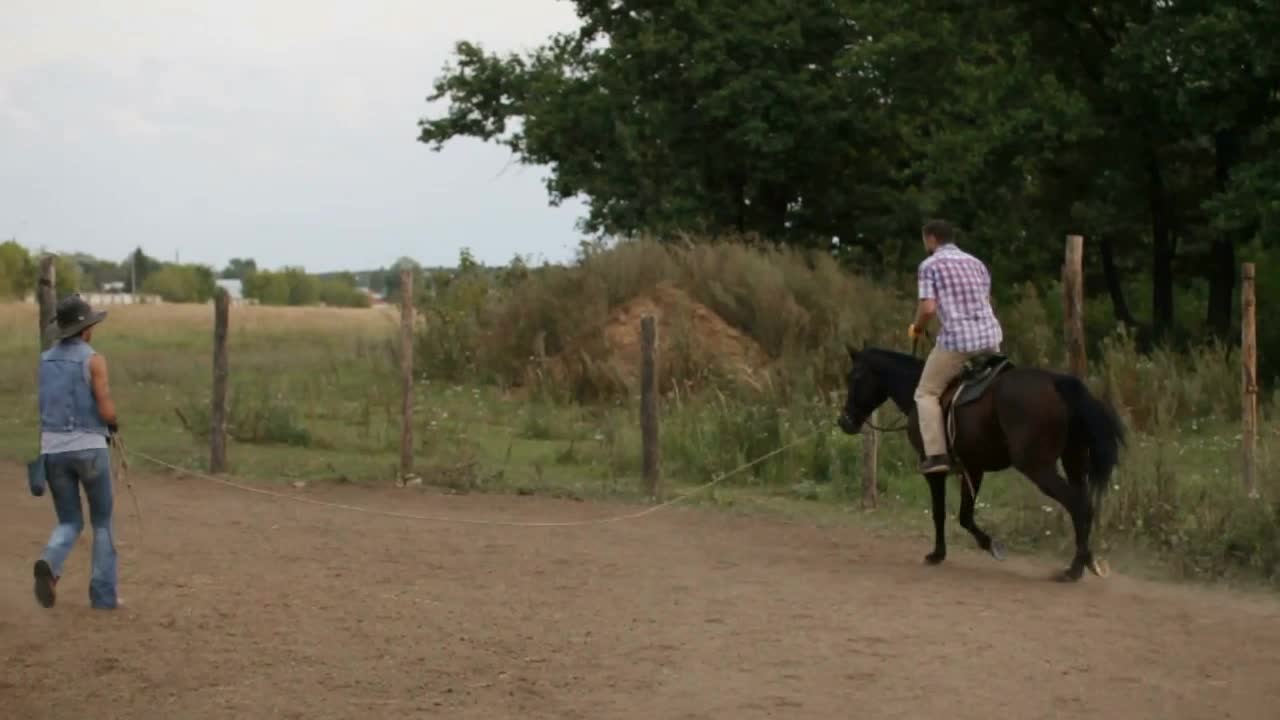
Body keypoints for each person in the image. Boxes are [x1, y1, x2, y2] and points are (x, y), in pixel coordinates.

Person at [31, 294, 120, 610]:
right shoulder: (94, 359)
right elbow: (105, 404)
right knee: (102, 522)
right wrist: (113, 424)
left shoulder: (45, 360)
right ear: (86, 329)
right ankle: (104, 595)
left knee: (69, 520)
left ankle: (50, 562)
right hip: (90, 447)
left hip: (53, 450)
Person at [908, 220, 1003, 474]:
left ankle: (937, 455)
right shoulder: (976, 264)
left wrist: (917, 327)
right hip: (991, 339)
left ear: (930, 239)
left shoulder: (929, 265)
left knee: (926, 393)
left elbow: (928, 308)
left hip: (959, 341)